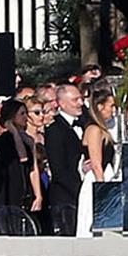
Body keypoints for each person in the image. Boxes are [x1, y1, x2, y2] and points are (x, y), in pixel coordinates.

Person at [44, 84, 87, 234]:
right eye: (75, 100)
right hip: (66, 199)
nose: (81, 103)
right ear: (61, 104)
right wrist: (81, 191)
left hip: (83, 195)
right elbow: (59, 169)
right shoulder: (55, 129)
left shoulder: (85, 123)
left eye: (81, 99)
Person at [76, 90, 118, 237]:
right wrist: (103, 189)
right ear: (100, 107)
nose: (113, 110)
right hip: (97, 180)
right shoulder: (93, 129)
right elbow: (96, 162)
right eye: (111, 106)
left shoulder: (103, 130)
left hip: (106, 176)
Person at [0, 98, 41, 219]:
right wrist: (14, 132)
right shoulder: (2, 140)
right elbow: (23, 157)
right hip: (12, 187)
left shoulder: (28, 140)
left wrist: (38, 195)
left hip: (26, 187)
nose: (25, 117)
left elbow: (33, 168)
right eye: (21, 114)